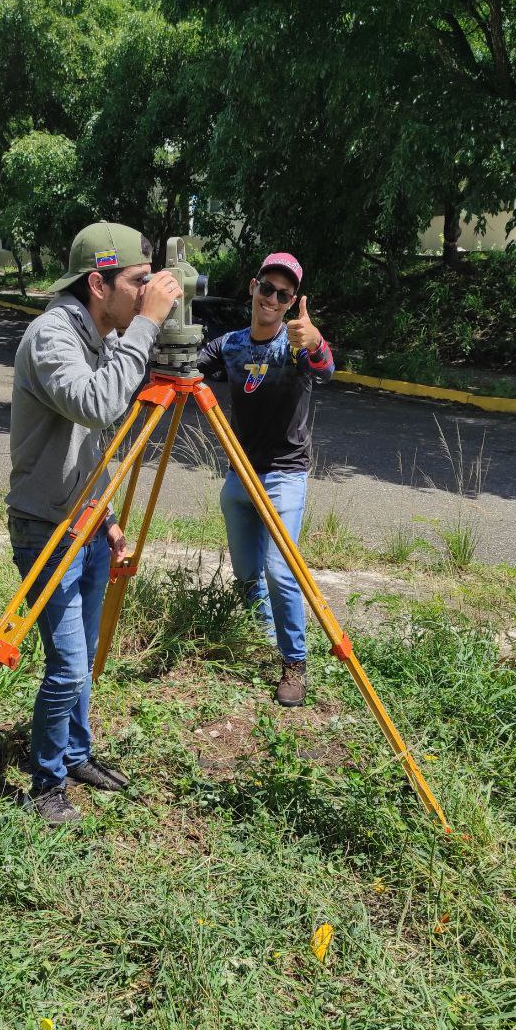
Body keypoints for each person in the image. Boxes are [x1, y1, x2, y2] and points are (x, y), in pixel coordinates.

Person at [7, 221, 181, 825]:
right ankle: (46, 779)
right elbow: (98, 405)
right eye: (139, 281)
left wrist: (105, 510)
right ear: (99, 283)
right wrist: (150, 326)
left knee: (83, 658)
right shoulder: (51, 337)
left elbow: (92, 443)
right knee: (69, 664)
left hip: (85, 521)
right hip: (46, 528)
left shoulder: (101, 334)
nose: (150, 291)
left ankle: (76, 754)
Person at [198, 252, 335, 707]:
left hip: (285, 476)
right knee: (245, 574)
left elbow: (326, 368)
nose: (273, 299)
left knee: (281, 572)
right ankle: (258, 636)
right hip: (240, 475)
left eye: (284, 293)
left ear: (293, 300)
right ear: (253, 288)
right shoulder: (231, 345)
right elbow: (192, 365)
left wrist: (315, 343)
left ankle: (294, 662)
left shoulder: (296, 344)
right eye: (267, 289)